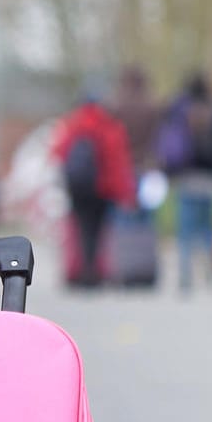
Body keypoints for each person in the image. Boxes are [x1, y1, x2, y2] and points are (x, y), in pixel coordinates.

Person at [52, 92, 138, 288]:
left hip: (77, 188)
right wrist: (124, 192)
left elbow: (59, 155)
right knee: (98, 232)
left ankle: (78, 272)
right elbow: (117, 161)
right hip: (102, 189)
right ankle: (94, 272)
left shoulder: (72, 125)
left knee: (80, 229)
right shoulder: (109, 127)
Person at [160, 74, 212, 292]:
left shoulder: (180, 110)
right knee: (209, 228)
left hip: (187, 176)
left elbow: (170, 140)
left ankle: (185, 275)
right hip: (210, 178)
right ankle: (210, 272)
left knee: (186, 230)